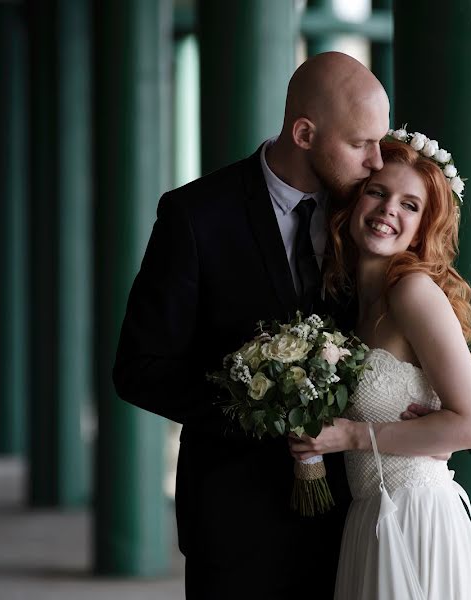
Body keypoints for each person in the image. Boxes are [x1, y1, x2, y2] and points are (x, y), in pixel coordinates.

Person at [113, 52, 391, 599]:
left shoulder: (370, 214)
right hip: (232, 521)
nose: (378, 163)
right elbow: (138, 369)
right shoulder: (194, 216)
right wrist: (259, 409)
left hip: (354, 517)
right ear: (305, 133)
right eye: (361, 144)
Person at [288, 133, 471, 599]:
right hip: (371, 516)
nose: (388, 211)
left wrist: (351, 436)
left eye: (410, 205)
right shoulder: (351, 304)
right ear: (354, 201)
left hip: (418, 516)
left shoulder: (413, 292)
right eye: (378, 193)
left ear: (424, 228)